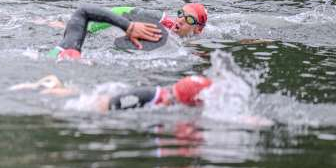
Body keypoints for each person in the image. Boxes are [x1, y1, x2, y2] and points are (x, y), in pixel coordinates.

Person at [48, 2, 208, 60]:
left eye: (189, 19)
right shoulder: (163, 21)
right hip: (106, 26)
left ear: (199, 29)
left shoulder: (192, 47)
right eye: (180, 13)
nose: (180, 19)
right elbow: (121, 11)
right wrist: (87, 29)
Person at [12, 74, 213, 113]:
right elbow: (104, 105)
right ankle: (43, 87)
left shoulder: (167, 100)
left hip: (115, 94)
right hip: (98, 102)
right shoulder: (148, 96)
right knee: (80, 98)